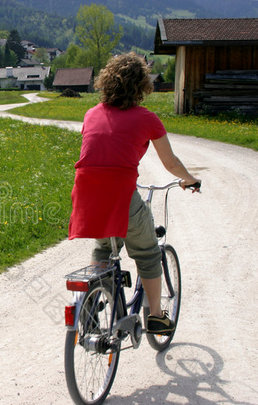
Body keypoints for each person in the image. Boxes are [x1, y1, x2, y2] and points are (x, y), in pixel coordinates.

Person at [70, 52, 201, 335]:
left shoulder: (91, 113)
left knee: (104, 248)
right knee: (148, 252)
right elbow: (170, 162)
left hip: (87, 196)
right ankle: (155, 316)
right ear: (142, 86)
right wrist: (189, 179)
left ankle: (92, 306)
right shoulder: (147, 118)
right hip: (121, 197)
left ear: (106, 82)